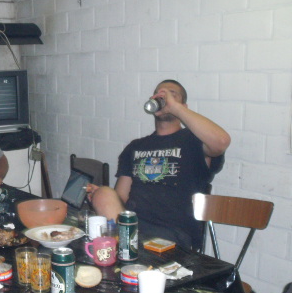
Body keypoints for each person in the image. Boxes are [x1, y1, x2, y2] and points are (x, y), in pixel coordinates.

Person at [88, 80, 231, 251]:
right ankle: (127, 248)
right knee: (103, 193)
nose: (164, 96)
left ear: (183, 106)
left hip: (174, 233)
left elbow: (222, 141)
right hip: (132, 228)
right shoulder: (136, 146)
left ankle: (128, 251)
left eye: (172, 94)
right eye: (159, 93)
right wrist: (102, 196)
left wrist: (176, 108)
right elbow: (121, 198)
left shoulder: (195, 140)